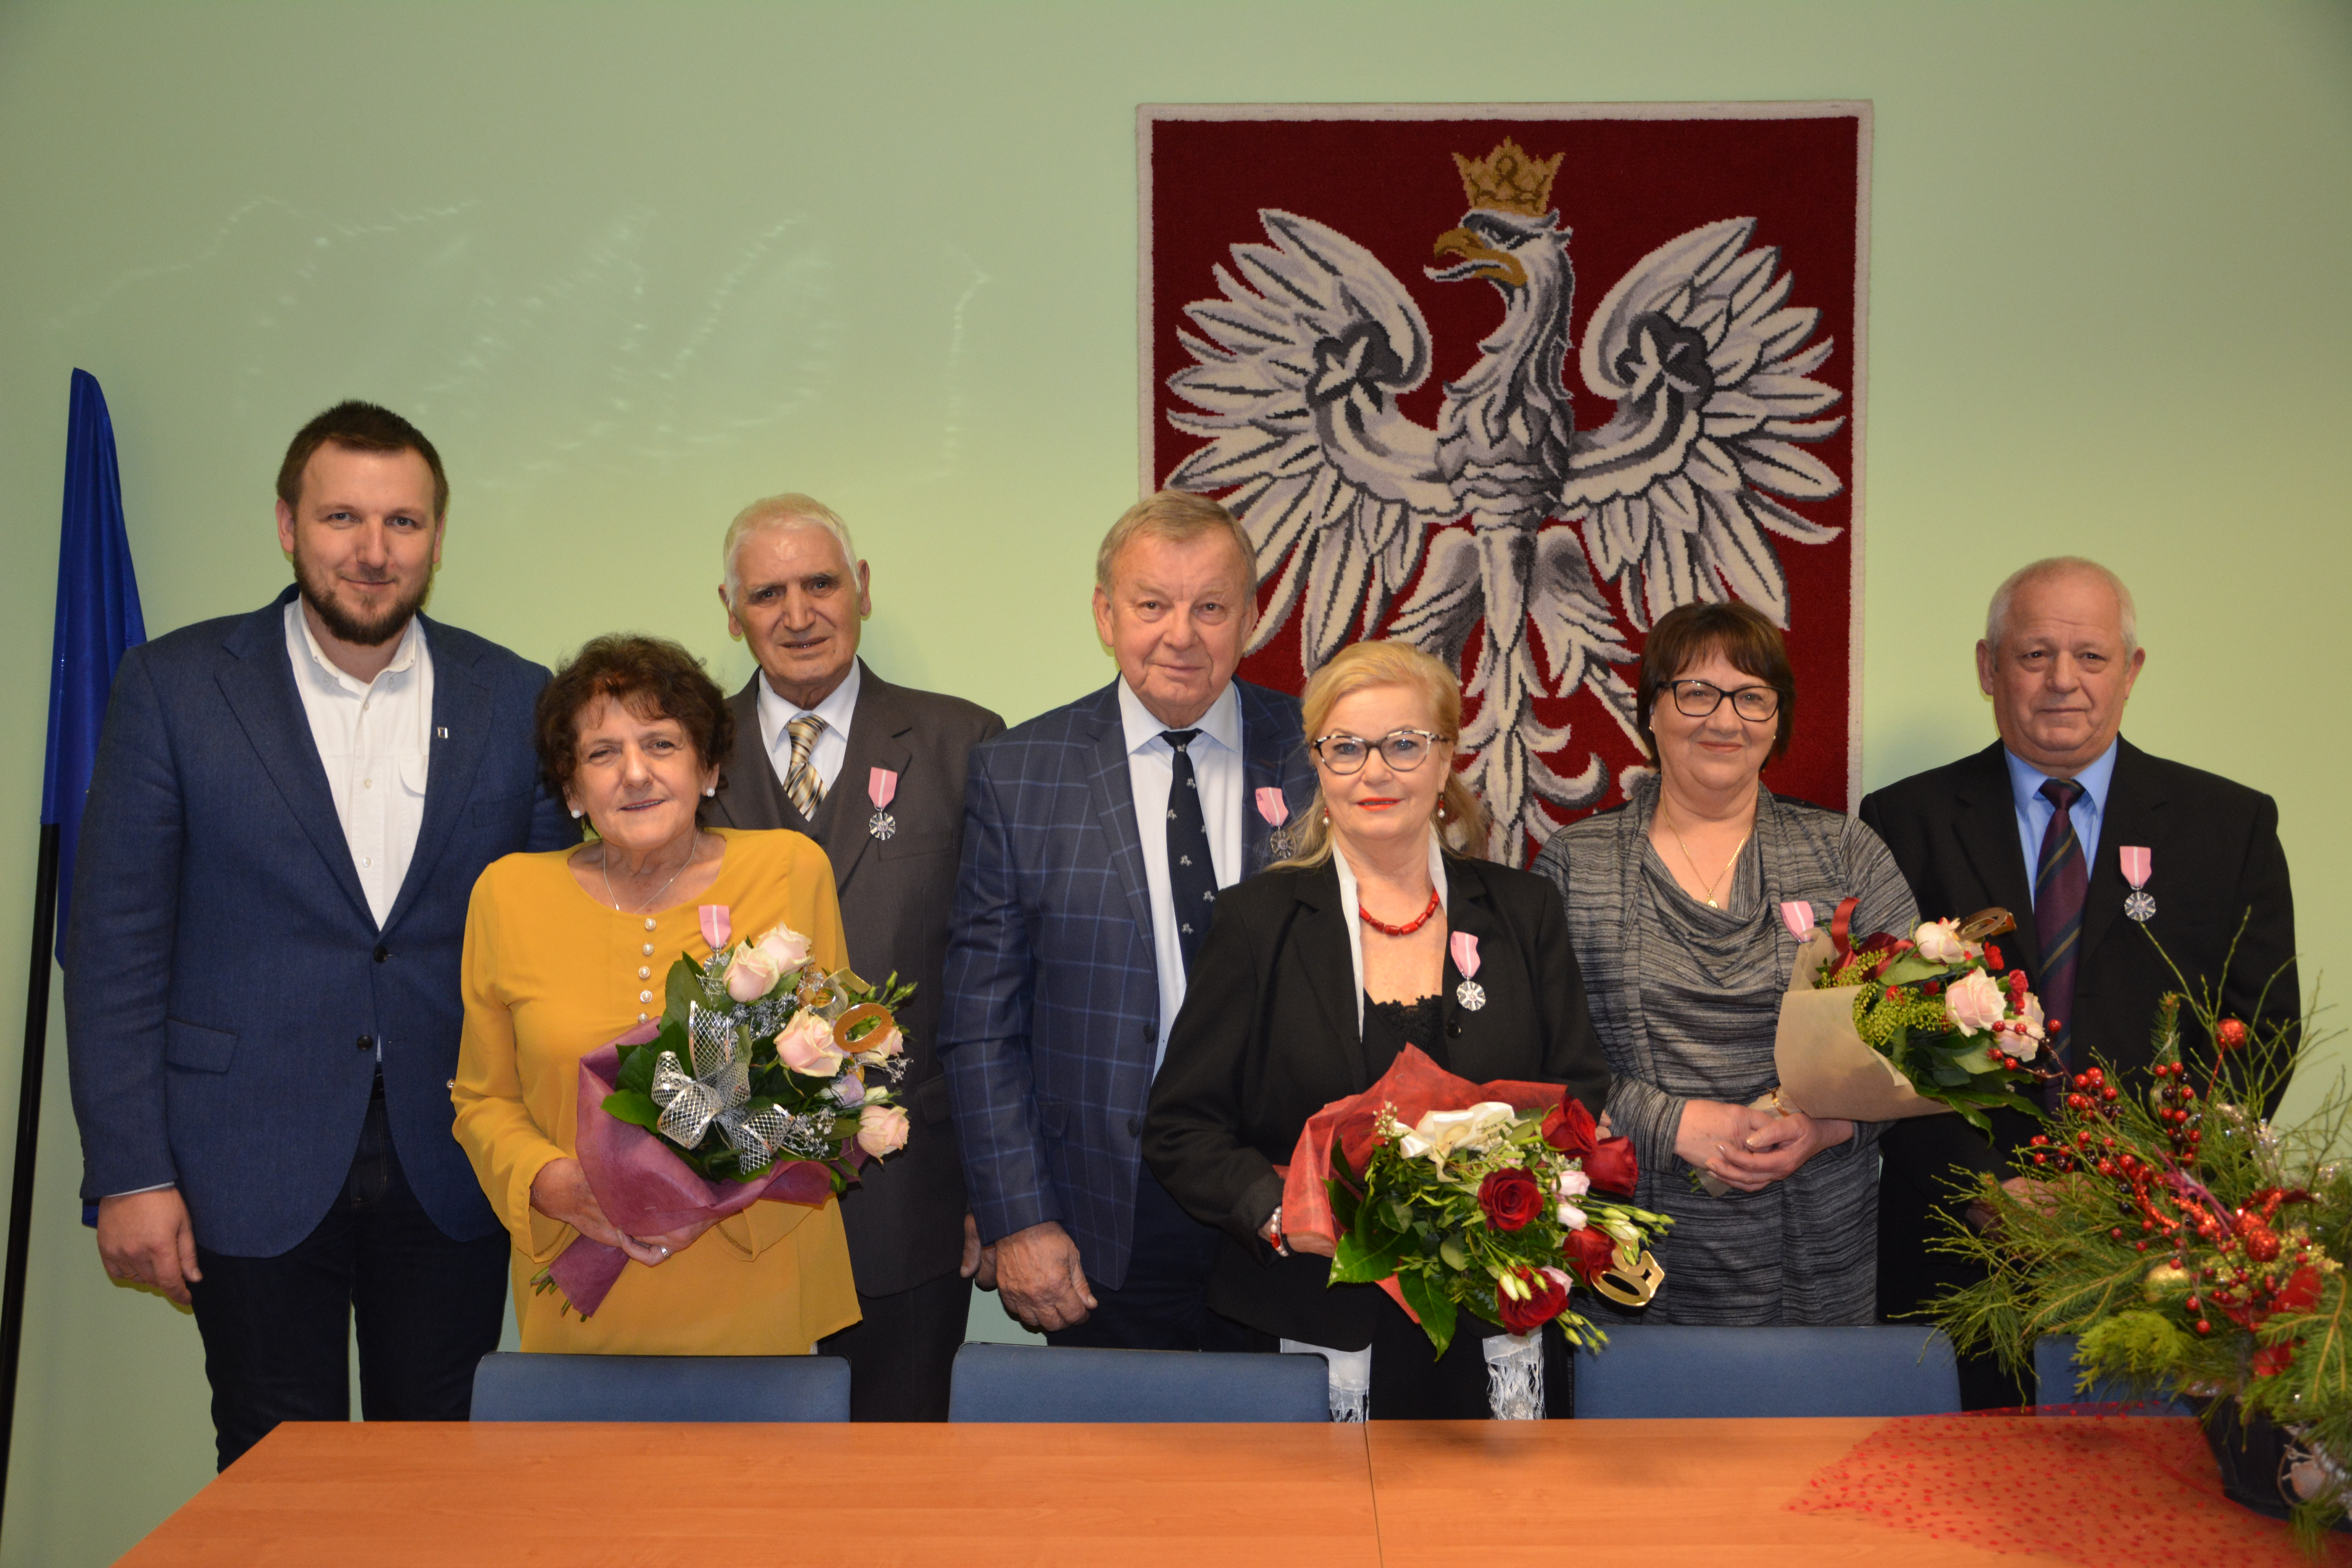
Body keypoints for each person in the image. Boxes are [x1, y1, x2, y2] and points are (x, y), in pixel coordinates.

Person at [65, 401, 575, 1468]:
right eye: (343, 517)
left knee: (439, 1469)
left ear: (438, 536)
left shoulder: (515, 696)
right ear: (288, 525)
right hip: (240, 1153)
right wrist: (130, 1172)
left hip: (453, 1158)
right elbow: (115, 947)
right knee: (271, 1470)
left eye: (403, 522)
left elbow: (549, 944)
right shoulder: (174, 687)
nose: (374, 550)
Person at [1862, 557, 2297, 1405]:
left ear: (2130, 671)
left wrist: (2136, 1188)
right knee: (1947, 1483)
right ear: (1989, 668)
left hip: (2159, 1256)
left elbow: (2262, 1033)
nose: (2063, 680)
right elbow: (1878, 1034)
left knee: (2145, 1484)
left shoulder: (2230, 825)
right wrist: (1986, 1186)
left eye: (2091, 656)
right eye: (2035, 654)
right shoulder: (1903, 819)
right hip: (1957, 1252)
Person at [1145, 641, 1610, 1416]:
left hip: (1491, 1311)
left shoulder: (1524, 912)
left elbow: (1579, 1094)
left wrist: (1519, 1194)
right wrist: (1281, 1212)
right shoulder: (1256, 922)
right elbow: (1180, 1127)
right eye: (1347, 747)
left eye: (1403, 744)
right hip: (1311, 1311)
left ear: (1445, 759)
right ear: (1319, 765)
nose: (1375, 771)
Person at [942, 491, 1316, 1349]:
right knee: (1119, 1439)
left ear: (1252, 617)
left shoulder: (1321, 755)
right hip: (1103, 1215)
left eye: (1211, 607)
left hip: (1290, 1197)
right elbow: (980, 1025)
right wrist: (1018, 1215)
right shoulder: (1019, 772)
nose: (1181, 635)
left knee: (1292, 1438)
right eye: (1152, 605)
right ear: (1106, 615)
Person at [452, 635, 860, 1354]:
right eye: (602, 753)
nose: (635, 773)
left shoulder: (791, 869)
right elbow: (484, 1097)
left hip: (755, 1278)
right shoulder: (507, 895)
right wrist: (548, 1182)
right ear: (571, 789)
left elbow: (834, 1076)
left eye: (661, 744)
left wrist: (707, 1201)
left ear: (709, 767)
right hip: (582, 1286)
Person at [1532, 601, 1918, 1324]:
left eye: (1751, 697)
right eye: (1696, 692)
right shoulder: (1575, 866)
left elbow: (1917, 1039)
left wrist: (1825, 1128)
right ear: (1651, 710)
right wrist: (1668, 1121)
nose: (1724, 719)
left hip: (1817, 1250)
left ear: (1777, 720)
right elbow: (1540, 1055)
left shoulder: (1846, 853)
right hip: (1628, 1249)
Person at [703, 493, 1003, 1420]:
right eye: (768, 593)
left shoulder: (965, 744)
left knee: (897, 1474)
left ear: (862, 588)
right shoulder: (684, 757)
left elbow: (997, 987)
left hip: (911, 1198)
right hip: (728, 1205)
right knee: (740, 1479)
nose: (799, 614)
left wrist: (994, 1190)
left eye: (821, 584)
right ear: (731, 610)